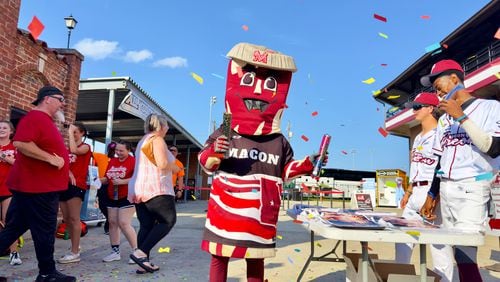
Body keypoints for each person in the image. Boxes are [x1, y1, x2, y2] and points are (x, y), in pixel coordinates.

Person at [198, 43, 326, 282]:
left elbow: (284, 171)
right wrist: (216, 151)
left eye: (269, 85)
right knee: (219, 257)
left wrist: (308, 163)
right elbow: (206, 161)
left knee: (255, 259)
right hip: (224, 212)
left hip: (259, 216)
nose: (257, 94)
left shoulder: (278, 139)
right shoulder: (226, 128)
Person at [419, 59, 500, 281]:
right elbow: (440, 160)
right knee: (457, 254)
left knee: (466, 255)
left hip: (473, 186)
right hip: (447, 189)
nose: (437, 94)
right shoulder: (444, 119)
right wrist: (432, 194)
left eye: (439, 87)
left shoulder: (491, 107)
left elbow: (493, 148)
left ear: (455, 79)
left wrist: (461, 117)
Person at [0, 86, 75, 281]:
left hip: (35, 187)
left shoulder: (46, 121)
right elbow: (21, 143)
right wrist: (51, 159)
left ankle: (47, 273)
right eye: (60, 99)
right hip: (38, 189)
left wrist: (66, 169)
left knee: (13, 230)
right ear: (47, 99)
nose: (63, 103)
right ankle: (47, 274)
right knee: (44, 231)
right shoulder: (35, 118)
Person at [395, 92, 454, 282]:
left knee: (439, 246)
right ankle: (400, 277)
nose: (414, 110)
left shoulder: (441, 133)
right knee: (403, 240)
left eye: (417, 106)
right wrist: (409, 191)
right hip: (415, 193)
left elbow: (442, 167)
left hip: (432, 191)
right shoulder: (419, 137)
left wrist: (434, 195)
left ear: (430, 108)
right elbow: (416, 167)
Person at [128, 113, 180, 274]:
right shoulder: (157, 139)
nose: (168, 128)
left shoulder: (143, 140)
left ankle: (142, 263)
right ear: (161, 126)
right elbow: (163, 163)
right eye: (166, 125)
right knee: (168, 221)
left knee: (147, 225)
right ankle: (140, 253)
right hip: (156, 188)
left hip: (139, 188)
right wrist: (176, 168)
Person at [57, 122, 92, 264]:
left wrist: (70, 133)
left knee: (74, 218)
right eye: (73, 132)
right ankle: (75, 246)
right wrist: (68, 171)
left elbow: (75, 150)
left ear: (82, 133)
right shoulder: (67, 149)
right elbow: (63, 163)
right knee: (67, 219)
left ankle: (75, 252)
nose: (73, 134)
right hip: (64, 184)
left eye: (76, 132)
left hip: (77, 185)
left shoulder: (85, 147)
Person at [100, 140, 137, 263]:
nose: (118, 153)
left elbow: (138, 177)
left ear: (128, 150)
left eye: (121, 150)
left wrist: (123, 181)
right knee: (112, 222)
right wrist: (98, 180)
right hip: (112, 195)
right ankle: (115, 252)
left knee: (124, 223)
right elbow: (107, 177)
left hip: (127, 195)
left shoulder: (133, 161)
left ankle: (137, 252)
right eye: (117, 150)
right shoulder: (113, 161)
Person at [0, 120, 22, 266]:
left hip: (8, 188)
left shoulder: (15, 146)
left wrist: (3, 156)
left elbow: (19, 164)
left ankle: (14, 253)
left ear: (11, 131)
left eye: (4, 127)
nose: (1, 129)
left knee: (9, 221)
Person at [93, 141, 117, 234]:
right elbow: (88, 153)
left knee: (110, 205)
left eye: (114, 149)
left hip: (113, 185)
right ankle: (110, 222)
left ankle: (109, 226)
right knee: (103, 205)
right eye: (112, 149)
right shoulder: (101, 156)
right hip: (102, 184)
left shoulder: (117, 160)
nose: (113, 151)